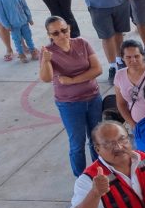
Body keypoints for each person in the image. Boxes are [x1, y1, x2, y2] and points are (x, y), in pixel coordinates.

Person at [38, 16, 103, 176]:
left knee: (97, 140)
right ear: (49, 36)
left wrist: (72, 80)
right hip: (70, 104)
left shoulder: (82, 43)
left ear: (69, 28)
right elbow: (46, 78)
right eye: (55, 33)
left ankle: (100, 172)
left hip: (93, 98)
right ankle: (81, 178)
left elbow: (97, 69)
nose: (61, 35)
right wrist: (46, 62)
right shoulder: (48, 52)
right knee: (77, 144)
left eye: (63, 30)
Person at [113, 39, 145, 129]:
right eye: (128, 57)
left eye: (136, 56)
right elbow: (121, 104)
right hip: (137, 126)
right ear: (122, 58)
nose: (133, 60)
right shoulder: (119, 75)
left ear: (143, 55)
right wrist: (132, 124)